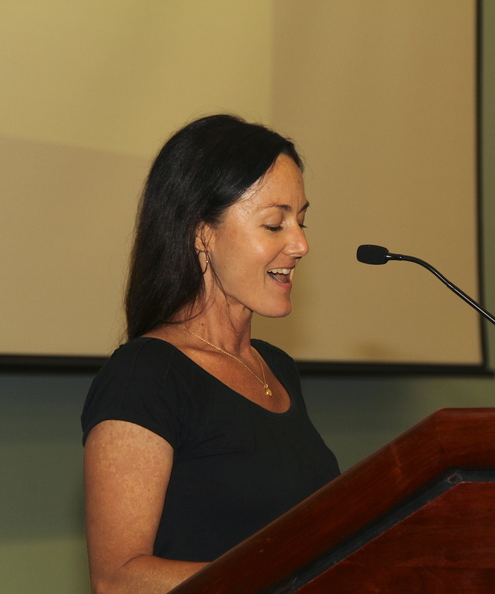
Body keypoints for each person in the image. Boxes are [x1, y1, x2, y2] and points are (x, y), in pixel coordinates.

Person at [81, 114, 340, 594]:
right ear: (202, 233)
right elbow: (117, 580)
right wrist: (288, 577)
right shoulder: (146, 376)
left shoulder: (276, 368)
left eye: (301, 221)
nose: (301, 244)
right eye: (275, 223)